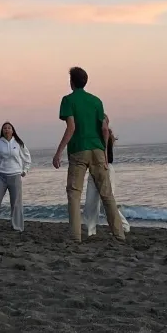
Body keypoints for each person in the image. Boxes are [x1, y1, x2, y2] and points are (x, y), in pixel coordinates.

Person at [52, 67, 124, 242]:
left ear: (71, 82)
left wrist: (58, 152)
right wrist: (105, 153)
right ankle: (119, 233)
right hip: (98, 149)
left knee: (74, 194)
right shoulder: (96, 101)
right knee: (107, 194)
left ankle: (76, 236)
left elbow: (71, 127)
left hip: (79, 150)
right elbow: (105, 129)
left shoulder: (68, 100)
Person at [83, 115, 130, 236]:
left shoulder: (105, 135)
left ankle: (123, 226)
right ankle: (91, 230)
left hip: (105, 168)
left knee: (106, 202)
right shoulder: (96, 135)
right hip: (95, 169)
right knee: (91, 202)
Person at [0, 122, 32, 232]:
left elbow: (27, 158)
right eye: (4, 128)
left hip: (15, 175)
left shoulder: (18, 143)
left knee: (16, 203)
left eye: (9, 128)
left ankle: (17, 227)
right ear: (2, 131)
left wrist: (25, 170)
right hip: (1, 176)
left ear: (12, 130)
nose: (7, 130)